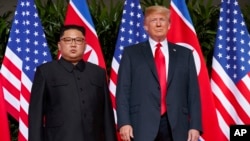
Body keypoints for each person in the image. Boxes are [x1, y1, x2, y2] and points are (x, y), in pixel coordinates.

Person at [116, 5, 202, 141]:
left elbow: (193, 92)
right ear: (145, 26)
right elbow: (123, 91)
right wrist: (124, 122)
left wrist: (195, 125)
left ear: (169, 25)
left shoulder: (184, 55)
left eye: (162, 20)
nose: (158, 24)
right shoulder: (131, 53)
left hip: (176, 125)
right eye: (153, 20)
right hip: (141, 124)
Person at [28, 24, 117, 141]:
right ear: (59, 45)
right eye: (68, 40)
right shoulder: (46, 71)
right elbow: (36, 115)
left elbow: (107, 115)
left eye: (79, 40)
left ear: (85, 46)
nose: (73, 44)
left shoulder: (98, 73)